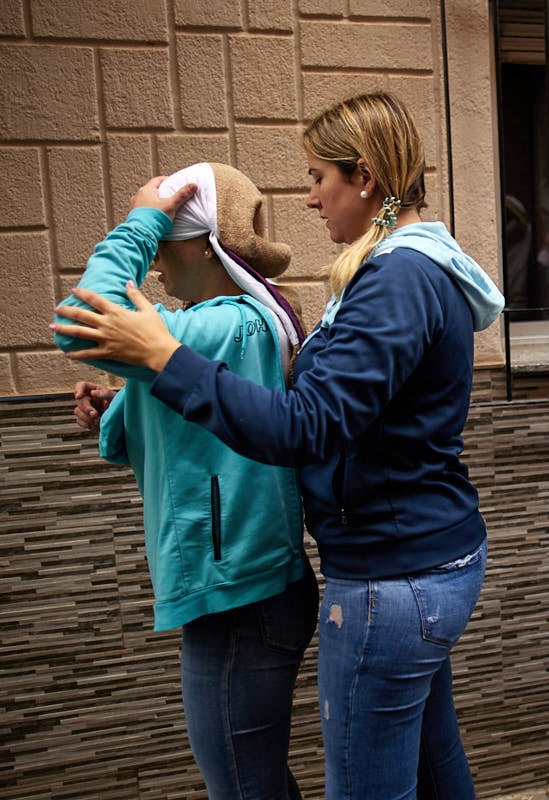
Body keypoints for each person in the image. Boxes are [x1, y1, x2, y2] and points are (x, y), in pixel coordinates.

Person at [51, 92, 505, 800]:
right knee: (432, 766)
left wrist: (167, 360)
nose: (310, 199)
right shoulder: (408, 267)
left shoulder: (398, 278)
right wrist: (139, 396)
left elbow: (306, 425)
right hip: (420, 557)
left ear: (365, 178)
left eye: (320, 178)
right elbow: (341, 403)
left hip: (394, 578)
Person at [54, 162, 318, 800]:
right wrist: (120, 402)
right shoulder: (228, 323)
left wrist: (138, 221)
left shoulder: (229, 322)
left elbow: (80, 321)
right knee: (255, 781)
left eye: (162, 243)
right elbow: (185, 421)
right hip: (240, 589)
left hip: (238, 601)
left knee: (242, 789)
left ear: (203, 241)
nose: (152, 264)